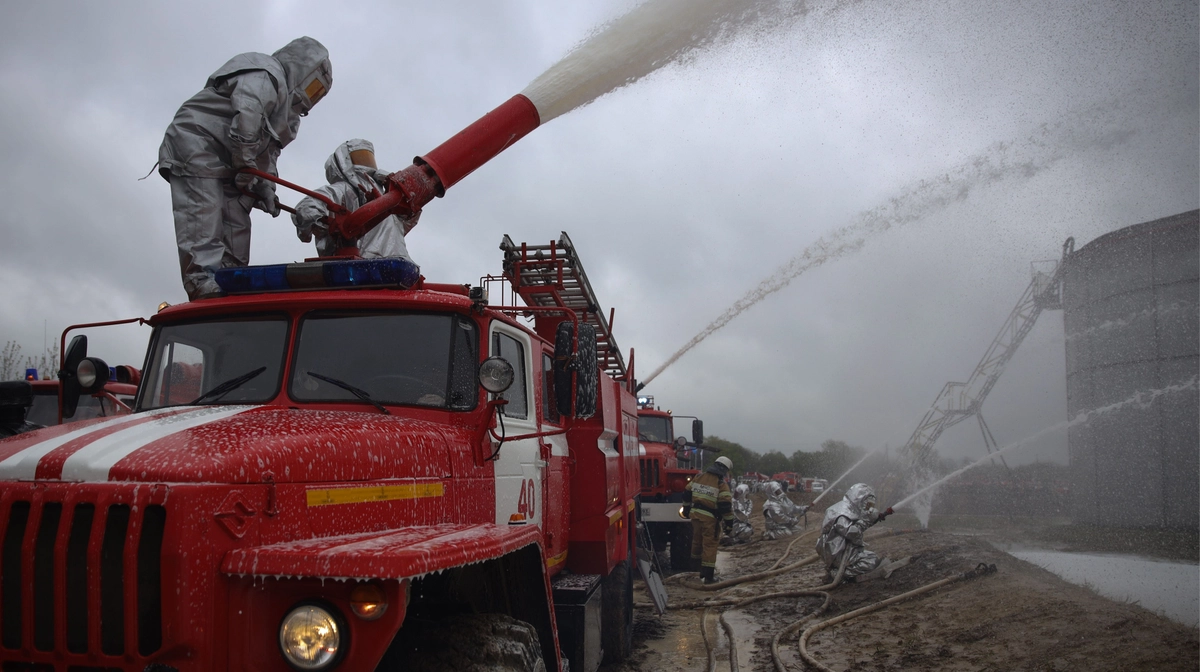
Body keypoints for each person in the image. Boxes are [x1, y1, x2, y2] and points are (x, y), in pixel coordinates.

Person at [158, 37, 333, 300]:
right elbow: (248, 113)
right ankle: (201, 279)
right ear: (304, 69)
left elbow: (269, 152)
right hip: (198, 144)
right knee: (202, 211)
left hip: (233, 162)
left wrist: (266, 186)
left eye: (318, 93)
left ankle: (230, 278)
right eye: (314, 86)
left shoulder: (289, 115)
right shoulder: (266, 72)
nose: (311, 96)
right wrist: (245, 161)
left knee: (238, 213)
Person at [291, 139, 418, 260]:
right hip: (360, 268)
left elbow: (403, 224)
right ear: (343, 162)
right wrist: (323, 225)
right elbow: (307, 207)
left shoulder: (386, 199)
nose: (367, 165)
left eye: (369, 158)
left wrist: (406, 197)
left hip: (396, 267)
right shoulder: (344, 189)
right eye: (360, 157)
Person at [815, 483, 907, 583]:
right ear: (859, 499)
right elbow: (851, 533)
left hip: (837, 551)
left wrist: (869, 520)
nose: (868, 508)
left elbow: (856, 529)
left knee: (872, 557)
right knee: (871, 561)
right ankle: (841, 574)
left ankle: (838, 570)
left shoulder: (846, 509)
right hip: (836, 553)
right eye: (867, 504)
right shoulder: (842, 512)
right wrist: (866, 521)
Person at [683, 455, 734, 584]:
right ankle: (708, 577)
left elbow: (687, 492)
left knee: (697, 541)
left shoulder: (699, 477)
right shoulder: (721, 483)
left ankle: (694, 571)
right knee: (710, 545)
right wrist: (729, 524)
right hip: (709, 518)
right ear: (724, 469)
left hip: (695, 516)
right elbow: (725, 506)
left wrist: (686, 508)